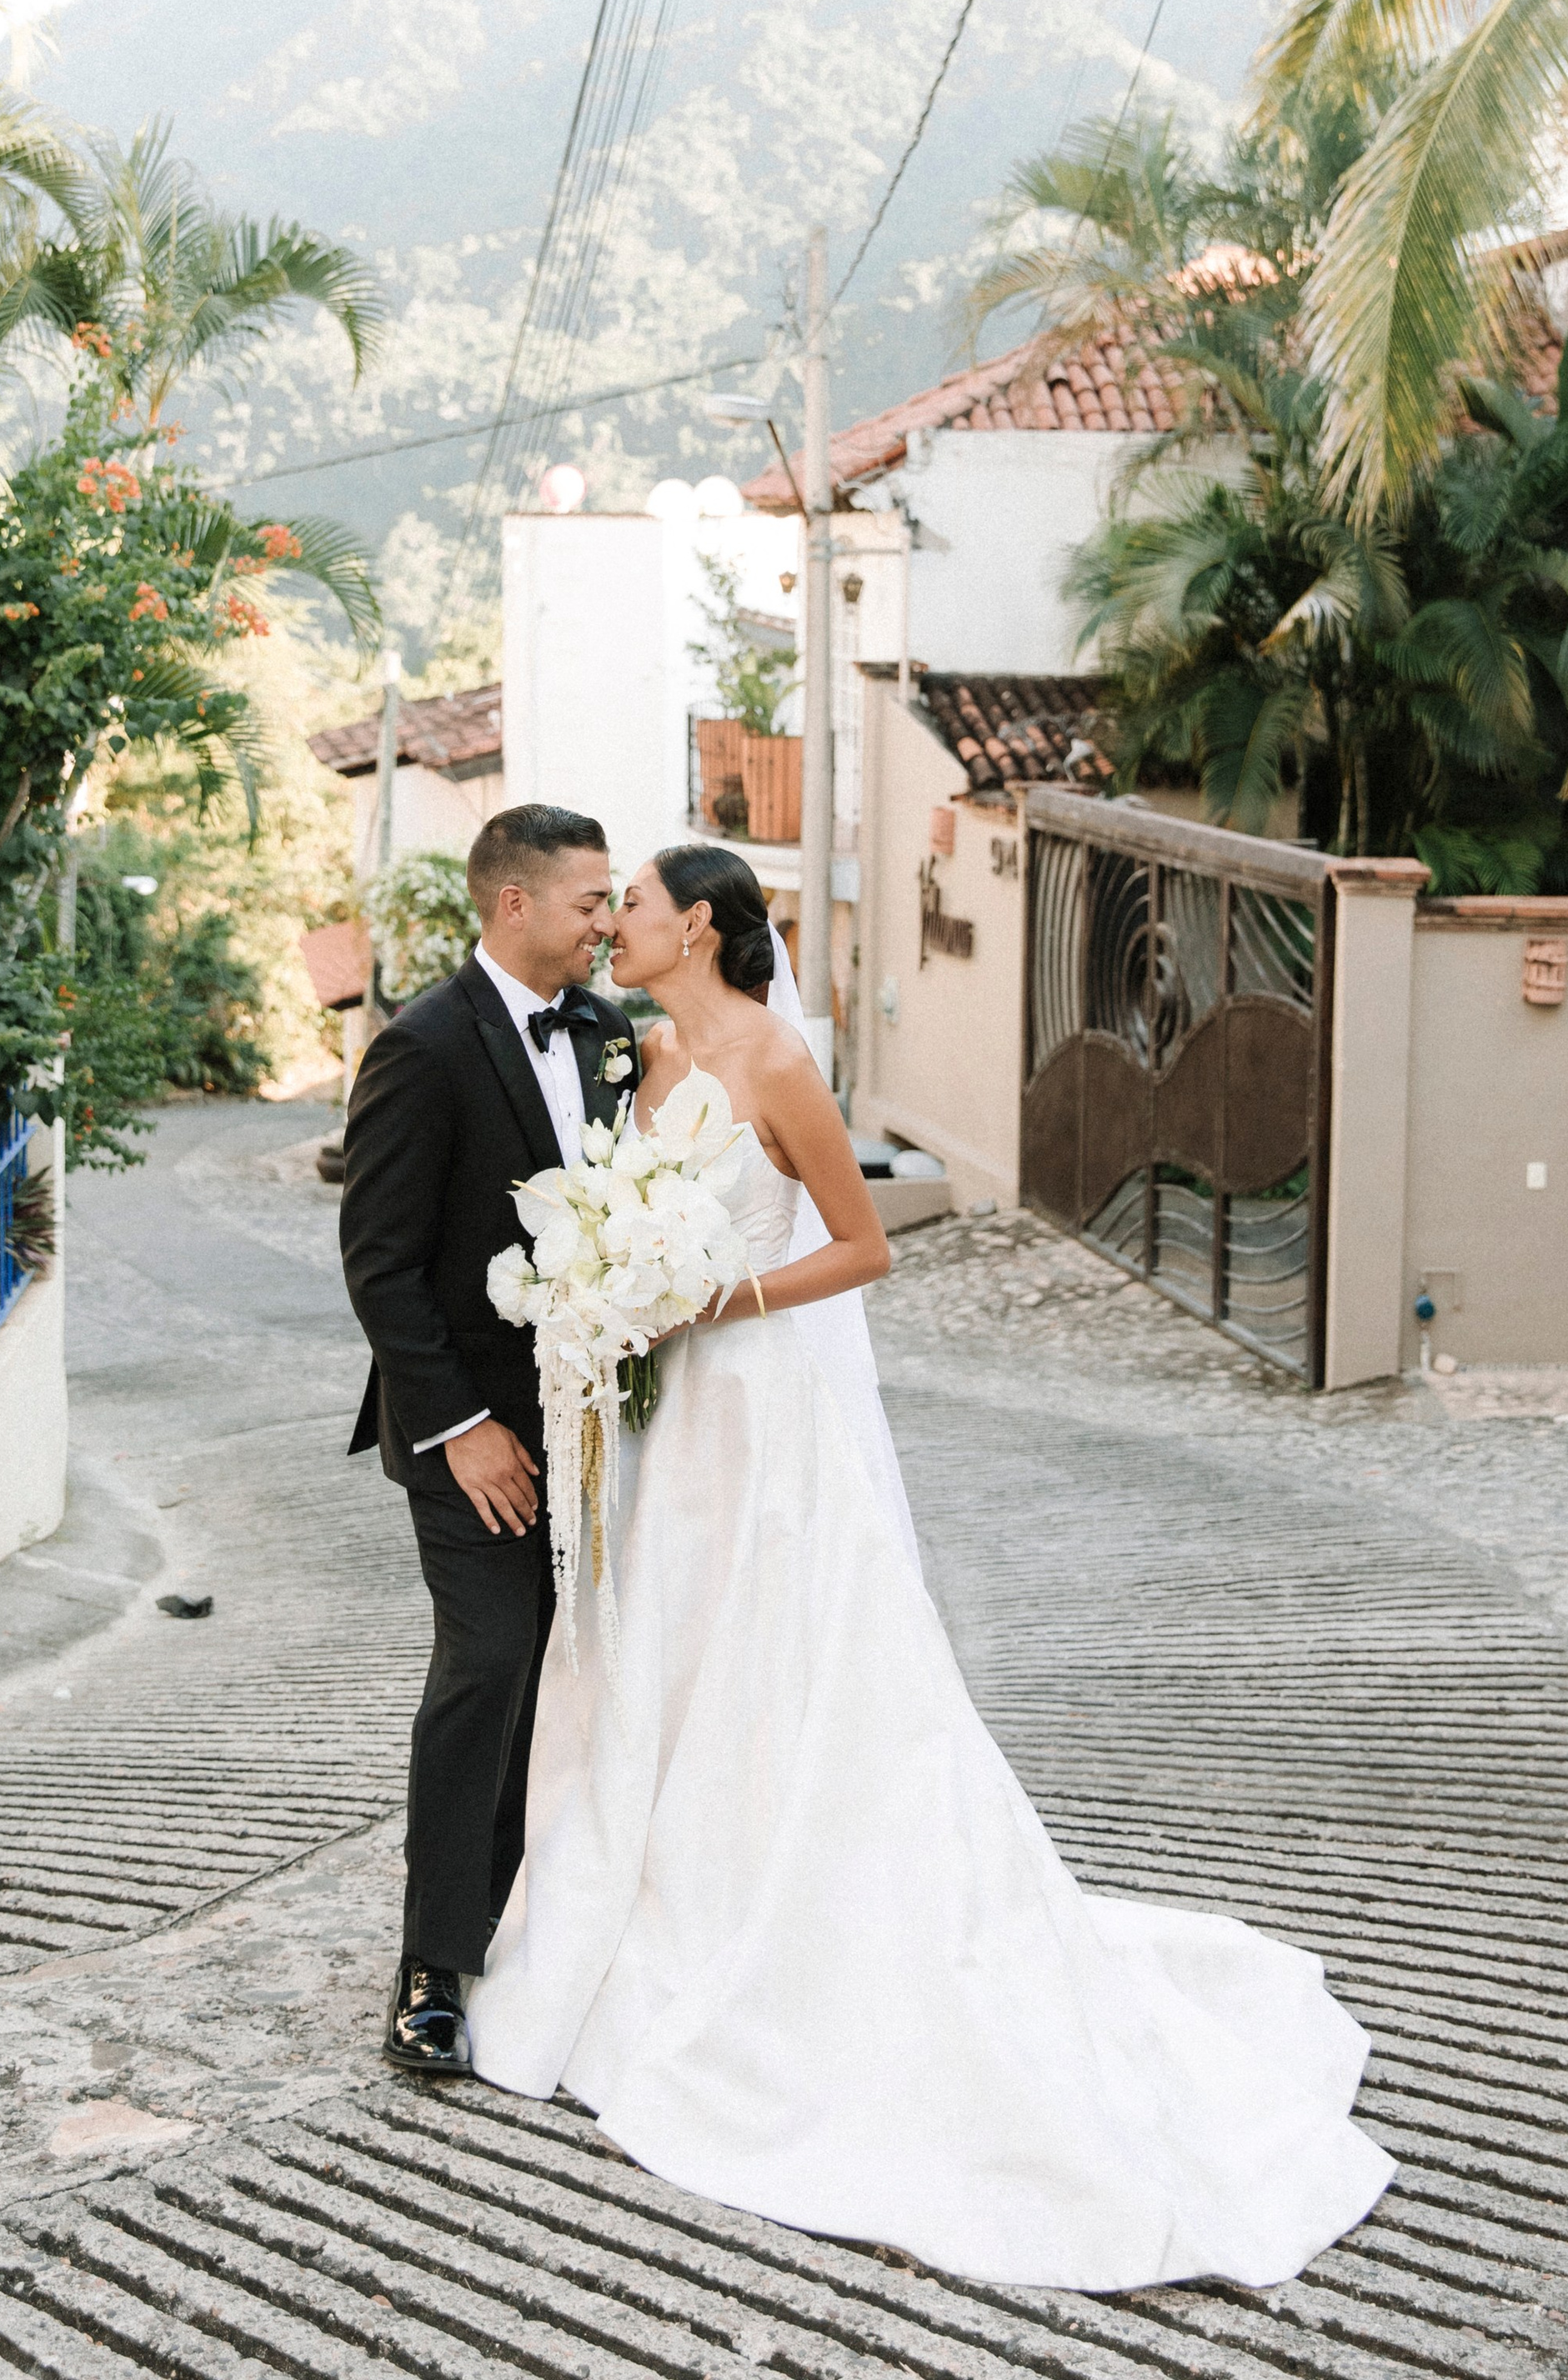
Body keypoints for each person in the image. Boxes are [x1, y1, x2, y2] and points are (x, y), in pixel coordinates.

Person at [468, 842, 1395, 2292]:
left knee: (791, 1667)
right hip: (678, 1431)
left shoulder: (777, 1063)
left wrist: (714, 1295)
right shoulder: (639, 1051)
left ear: (694, 925)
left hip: (763, 1413)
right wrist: (607, 1288)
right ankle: (658, 1909)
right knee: (675, 1657)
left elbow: (862, 1248)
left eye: (634, 904)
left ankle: (802, 1928)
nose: (616, 923)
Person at [339, 801, 639, 2077]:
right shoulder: (423, 1046)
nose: (608, 924)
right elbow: (380, 1266)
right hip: (470, 1437)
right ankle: (433, 1964)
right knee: (491, 1664)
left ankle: (555, 1919)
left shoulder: (615, 1037)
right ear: (514, 905)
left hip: (597, 1431)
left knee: (587, 1671)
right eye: (589, 902)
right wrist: (463, 1429)